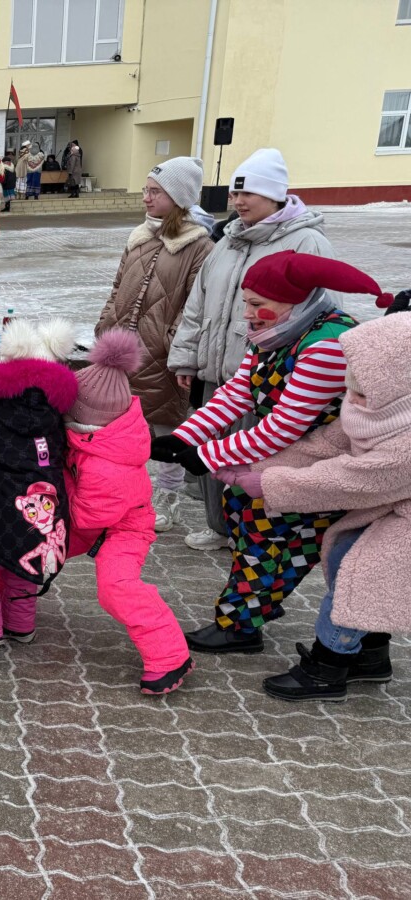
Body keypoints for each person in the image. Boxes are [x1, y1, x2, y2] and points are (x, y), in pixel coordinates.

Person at [152, 253, 392, 655]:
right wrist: (184, 437)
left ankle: (244, 626)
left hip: (330, 466)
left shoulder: (327, 345)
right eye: (244, 302)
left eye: (256, 303)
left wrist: (207, 456)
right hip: (293, 457)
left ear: (294, 301)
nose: (247, 313)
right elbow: (238, 392)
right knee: (247, 514)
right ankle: (259, 613)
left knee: (270, 530)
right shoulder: (276, 330)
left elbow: (284, 426)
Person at [167, 148, 336, 551]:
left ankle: (251, 535)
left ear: (275, 195)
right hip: (218, 368)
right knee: (209, 448)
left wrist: (302, 368)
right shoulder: (227, 240)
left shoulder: (306, 241)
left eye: (249, 194)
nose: (239, 202)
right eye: (235, 194)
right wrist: (186, 356)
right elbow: (198, 302)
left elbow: (325, 310)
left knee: (255, 455)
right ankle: (218, 527)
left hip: (270, 374)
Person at [250, 305, 408, 701]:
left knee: (359, 569)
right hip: (388, 502)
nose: (352, 394)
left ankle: (328, 666)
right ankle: (371, 656)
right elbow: (328, 444)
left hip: (397, 508)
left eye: (363, 388)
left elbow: (355, 480)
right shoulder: (374, 404)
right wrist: (256, 466)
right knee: (352, 558)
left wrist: (270, 483)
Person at [65, 329, 194, 694]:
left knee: (116, 588)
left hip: (122, 528)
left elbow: (86, 517)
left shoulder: (106, 465)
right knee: (33, 546)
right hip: (94, 518)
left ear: (82, 420)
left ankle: (170, 656)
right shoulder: (93, 438)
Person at [96, 157, 213, 532]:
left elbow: (195, 304)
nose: (146, 197)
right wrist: (105, 325)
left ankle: (168, 495)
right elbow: (118, 287)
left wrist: (174, 346)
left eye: (155, 192)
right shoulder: (139, 237)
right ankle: (122, 491)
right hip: (122, 350)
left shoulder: (199, 246)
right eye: (146, 190)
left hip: (162, 353)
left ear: (179, 197)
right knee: (119, 424)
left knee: (166, 426)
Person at [0, 318, 77, 651]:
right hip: (48, 511)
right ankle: (20, 626)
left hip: (1, 507)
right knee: (25, 564)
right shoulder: (56, 418)